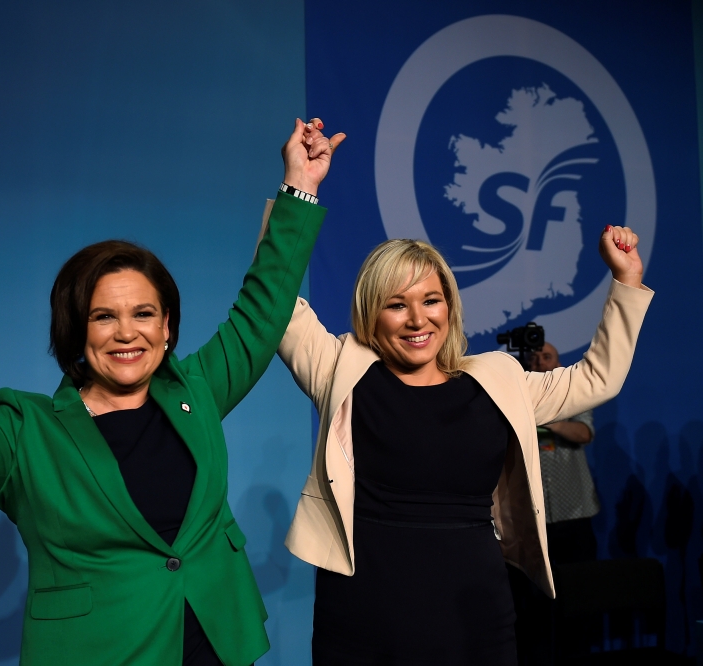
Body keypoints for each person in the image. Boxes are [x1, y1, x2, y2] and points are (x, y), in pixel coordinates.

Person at [0, 118, 346, 666]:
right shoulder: (22, 433)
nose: (127, 332)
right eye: (104, 316)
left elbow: (262, 309)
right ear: (76, 332)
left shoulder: (195, 390)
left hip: (221, 646)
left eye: (144, 314)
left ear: (168, 326)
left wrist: (300, 186)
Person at [275, 221, 652, 665]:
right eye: (397, 305)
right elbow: (276, 303)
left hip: (475, 615)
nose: (418, 319)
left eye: (431, 300)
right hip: (362, 618)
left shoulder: (497, 380)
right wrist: (297, 190)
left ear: (449, 307)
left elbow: (597, 378)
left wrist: (626, 281)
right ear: (370, 312)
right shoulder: (340, 369)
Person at [530, 342, 599, 564]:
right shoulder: (517, 398)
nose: (540, 362)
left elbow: (584, 433)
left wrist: (547, 419)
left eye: (547, 356)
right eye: (535, 358)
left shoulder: (573, 394)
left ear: (558, 363)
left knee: (579, 586)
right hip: (532, 517)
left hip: (574, 512)